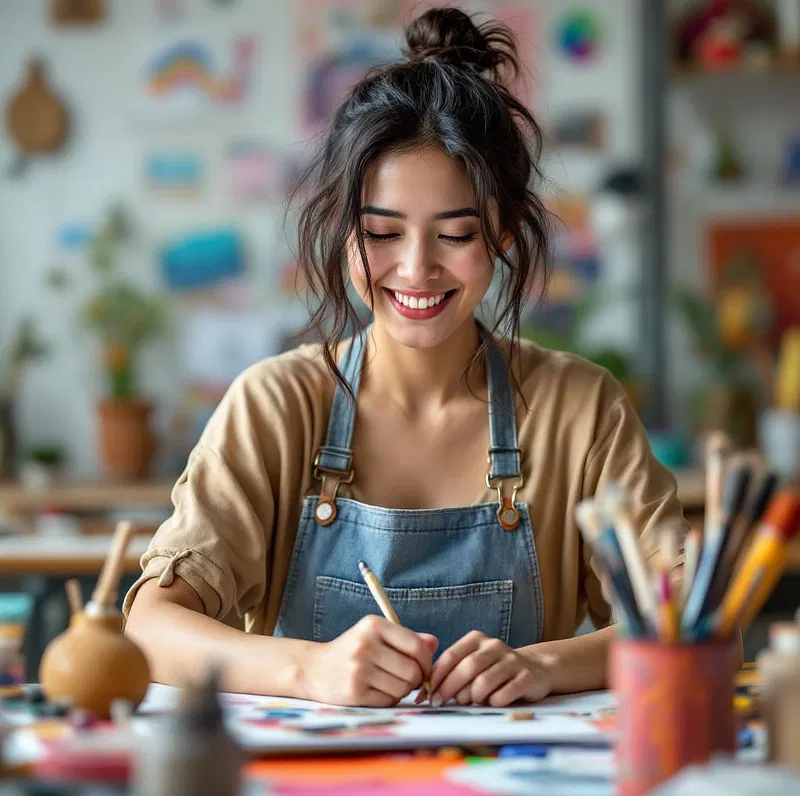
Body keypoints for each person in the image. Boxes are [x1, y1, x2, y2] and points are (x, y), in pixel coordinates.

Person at [124, 7, 687, 708]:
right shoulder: (276, 405)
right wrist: (310, 671)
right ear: (343, 231)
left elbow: (683, 620)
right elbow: (149, 627)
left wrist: (545, 667)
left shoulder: (579, 407)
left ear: (506, 232)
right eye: (383, 234)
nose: (416, 269)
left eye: (455, 234)